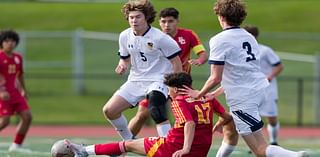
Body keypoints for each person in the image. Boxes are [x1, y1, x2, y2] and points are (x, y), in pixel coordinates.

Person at [179, 0, 308, 157]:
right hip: (260, 89)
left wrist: (198, 94)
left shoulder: (219, 39)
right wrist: (214, 94)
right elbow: (238, 74)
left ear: (221, 17)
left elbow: (215, 77)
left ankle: (296, 156)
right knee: (249, 139)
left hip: (243, 97)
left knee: (260, 149)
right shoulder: (249, 37)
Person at [128, 7, 238, 157]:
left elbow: (203, 54)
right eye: (163, 21)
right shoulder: (153, 36)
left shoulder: (188, 35)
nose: (167, 25)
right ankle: (126, 142)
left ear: (177, 22)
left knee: (185, 118)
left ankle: (173, 145)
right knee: (143, 113)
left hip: (179, 86)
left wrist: (199, 60)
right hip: (157, 83)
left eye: (170, 21)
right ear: (159, 23)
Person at [63, 72, 233, 157]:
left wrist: (185, 148)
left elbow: (190, 123)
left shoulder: (179, 101)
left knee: (128, 144)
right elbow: (226, 117)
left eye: (169, 89)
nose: (168, 93)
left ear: (175, 89)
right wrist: (218, 124)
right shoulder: (206, 97)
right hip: (201, 150)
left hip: (174, 148)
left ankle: (84, 151)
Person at [102, 0, 182, 142]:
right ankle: (129, 140)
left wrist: (174, 87)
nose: (134, 20)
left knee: (155, 109)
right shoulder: (124, 36)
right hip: (136, 80)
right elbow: (124, 58)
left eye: (138, 17)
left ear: (146, 17)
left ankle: (168, 145)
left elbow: (176, 62)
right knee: (109, 110)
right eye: (131, 17)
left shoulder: (161, 38)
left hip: (159, 79)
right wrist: (123, 64)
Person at [244, 25, 284, 145]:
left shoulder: (265, 50)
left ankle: (273, 141)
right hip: (251, 89)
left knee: (271, 118)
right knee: (252, 117)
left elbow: (279, 66)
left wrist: (270, 76)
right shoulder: (241, 50)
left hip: (268, 89)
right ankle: (258, 144)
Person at [0, 29, 32, 152]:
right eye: (7, 40)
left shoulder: (18, 58)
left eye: (13, 40)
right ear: (1, 43)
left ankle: (16, 145)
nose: (10, 43)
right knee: (5, 121)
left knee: (27, 117)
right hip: (3, 94)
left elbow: (20, 75)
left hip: (15, 93)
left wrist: (23, 90)